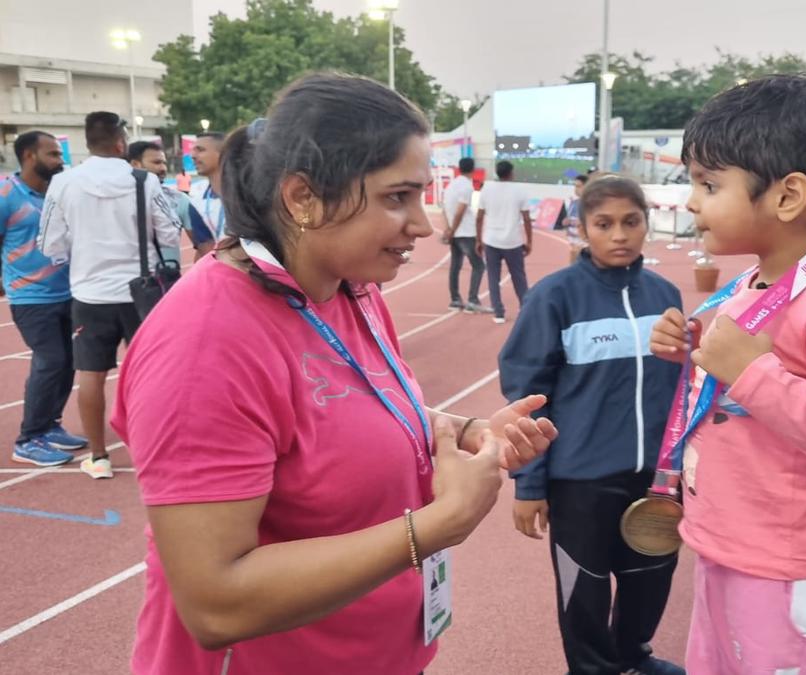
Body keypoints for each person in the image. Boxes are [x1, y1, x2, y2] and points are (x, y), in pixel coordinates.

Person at [110, 73, 558, 675]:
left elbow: (344, 411)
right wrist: (440, 524)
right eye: (396, 198)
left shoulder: (350, 288)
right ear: (302, 198)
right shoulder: (206, 344)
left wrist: (461, 429)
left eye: (422, 195)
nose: (423, 225)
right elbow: (215, 603)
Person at [649, 74, 806, 675]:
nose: (691, 202)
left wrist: (752, 371)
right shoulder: (749, 285)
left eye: (709, 184)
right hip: (722, 542)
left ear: (787, 196)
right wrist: (691, 350)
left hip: (787, 564)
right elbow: (735, 377)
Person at [501, 175, 685, 675]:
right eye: (604, 224)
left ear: (648, 223)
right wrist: (529, 484)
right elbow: (527, 399)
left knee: (650, 577)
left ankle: (632, 657)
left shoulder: (665, 294)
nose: (620, 234)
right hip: (580, 478)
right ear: (582, 229)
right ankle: (591, 669)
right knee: (584, 589)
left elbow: (679, 390)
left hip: (656, 479)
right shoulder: (554, 297)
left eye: (631, 221)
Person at [38, 111, 180, 479]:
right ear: (121, 142)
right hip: (141, 291)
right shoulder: (143, 181)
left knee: (90, 375)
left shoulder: (64, 183)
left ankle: (99, 457)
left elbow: (50, 242)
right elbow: (169, 232)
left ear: (87, 142)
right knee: (151, 374)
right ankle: (157, 451)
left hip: (89, 293)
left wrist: (81, 249)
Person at [1, 131, 87, 466]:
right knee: (50, 360)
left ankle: (50, 426)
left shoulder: (58, 192)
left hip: (68, 292)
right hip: (30, 297)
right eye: (52, 154)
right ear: (28, 156)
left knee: (67, 362)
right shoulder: (6, 194)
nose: (60, 160)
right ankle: (28, 438)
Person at [129, 140, 215, 262]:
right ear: (135, 164)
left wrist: (193, 277)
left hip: (167, 278)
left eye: (164, 163)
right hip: (123, 277)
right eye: (157, 162)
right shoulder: (115, 200)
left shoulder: (180, 200)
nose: (163, 168)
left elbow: (205, 249)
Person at [475, 160, 532, 324]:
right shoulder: (520, 190)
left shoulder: (487, 189)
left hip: (491, 240)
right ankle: (525, 309)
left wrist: (478, 239)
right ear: (511, 172)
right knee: (519, 277)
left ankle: (498, 312)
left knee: (493, 277)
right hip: (513, 241)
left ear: (497, 172)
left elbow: (479, 217)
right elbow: (527, 219)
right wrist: (529, 241)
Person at [442, 156, 487, 312]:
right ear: (473, 169)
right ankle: (472, 300)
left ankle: (455, 300)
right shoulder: (467, 187)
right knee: (479, 266)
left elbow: (444, 209)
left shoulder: (450, 186)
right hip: (466, 232)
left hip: (455, 232)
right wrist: (452, 230)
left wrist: (448, 229)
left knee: (455, 266)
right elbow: (460, 211)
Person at [189, 131, 226, 242]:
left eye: (200, 150)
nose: (193, 156)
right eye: (193, 151)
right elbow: (205, 249)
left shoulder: (251, 193)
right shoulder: (196, 201)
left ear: (223, 153)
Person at [564, 173, 588, 254]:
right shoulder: (574, 202)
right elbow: (569, 219)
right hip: (573, 241)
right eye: (575, 186)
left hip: (584, 243)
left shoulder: (591, 203)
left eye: (578, 186)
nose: (575, 189)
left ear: (586, 187)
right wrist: (566, 222)